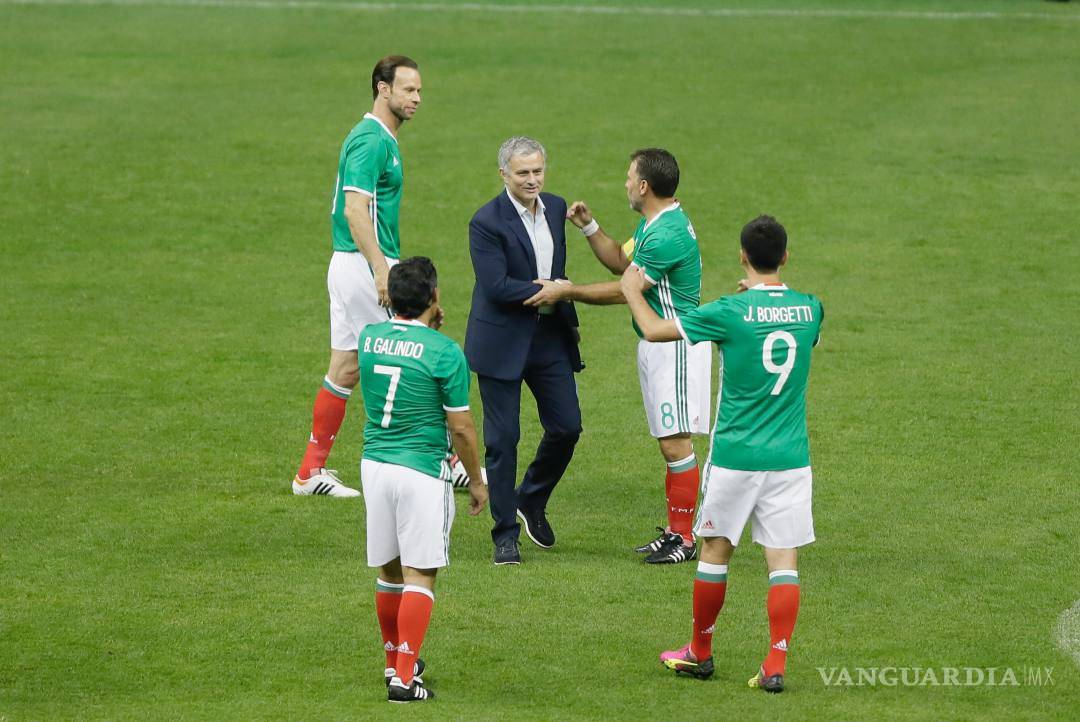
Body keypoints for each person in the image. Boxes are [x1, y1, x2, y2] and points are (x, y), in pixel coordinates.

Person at [620, 215, 823, 694]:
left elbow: (652, 330)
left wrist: (631, 289)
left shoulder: (728, 311)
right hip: (791, 457)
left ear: (743, 256)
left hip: (735, 455)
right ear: (786, 257)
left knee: (714, 552)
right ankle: (775, 663)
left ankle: (700, 651)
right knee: (783, 560)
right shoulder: (810, 309)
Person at [526, 148, 710, 564]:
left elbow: (624, 289)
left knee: (676, 444)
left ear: (645, 186)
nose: (626, 183)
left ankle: (684, 538)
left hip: (675, 346)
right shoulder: (656, 223)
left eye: (630, 177)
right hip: (658, 344)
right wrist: (589, 226)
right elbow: (620, 263)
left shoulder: (667, 235)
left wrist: (565, 290)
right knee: (669, 442)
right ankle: (677, 532)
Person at [292, 55, 423, 497]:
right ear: (382, 88)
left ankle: (310, 472)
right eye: (408, 89)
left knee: (346, 368)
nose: (416, 98)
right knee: (400, 356)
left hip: (349, 264)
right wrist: (382, 268)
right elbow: (354, 209)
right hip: (363, 264)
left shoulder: (379, 138)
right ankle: (432, 460)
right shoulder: (371, 141)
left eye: (419, 90)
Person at [359, 257, 488, 703]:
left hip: (374, 465)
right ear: (434, 297)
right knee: (421, 573)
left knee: (389, 569)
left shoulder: (368, 338)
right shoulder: (445, 352)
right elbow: (463, 429)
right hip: (421, 471)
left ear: (390, 298)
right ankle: (404, 678)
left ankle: (394, 658)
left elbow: (401, 352)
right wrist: (476, 480)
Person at [464, 136, 583, 566]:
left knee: (567, 427)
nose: (532, 180)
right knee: (503, 440)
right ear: (504, 175)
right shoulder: (486, 222)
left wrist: (558, 289)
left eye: (537, 171)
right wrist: (550, 289)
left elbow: (557, 267)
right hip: (501, 341)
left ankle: (530, 499)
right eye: (523, 173)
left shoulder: (555, 207)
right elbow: (495, 287)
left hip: (549, 338)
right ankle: (504, 535)